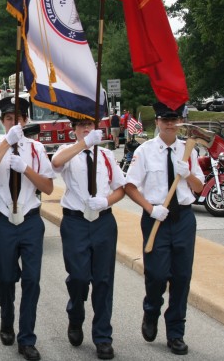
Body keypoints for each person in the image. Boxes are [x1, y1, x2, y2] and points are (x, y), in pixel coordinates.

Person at [124, 102, 204, 356]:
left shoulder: (188, 150)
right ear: (156, 122)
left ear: (180, 121)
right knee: (157, 275)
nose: (170, 123)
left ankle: (176, 333)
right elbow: (130, 186)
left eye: (174, 119)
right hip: (156, 217)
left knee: (181, 278)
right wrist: (150, 208)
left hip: (183, 219)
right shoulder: (145, 151)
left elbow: (199, 187)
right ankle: (151, 310)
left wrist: (188, 173)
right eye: (165, 119)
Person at [0, 96, 55, 361]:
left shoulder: (35, 149)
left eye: (19, 118)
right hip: (4, 222)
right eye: (9, 118)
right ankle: (6, 318)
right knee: (6, 279)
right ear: (2, 121)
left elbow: (47, 187)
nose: (15, 122)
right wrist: (5, 143)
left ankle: (27, 338)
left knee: (32, 280)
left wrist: (26, 169)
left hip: (31, 220)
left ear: (25, 121)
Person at [51, 117, 126, 360]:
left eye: (90, 126)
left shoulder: (105, 155)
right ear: (73, 130)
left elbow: (120, 187)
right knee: (79, 277)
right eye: (81, 126)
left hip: (103, 221)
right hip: (76, 222)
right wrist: (83, 144)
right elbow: (56, 162)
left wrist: (106, 201)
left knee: (103, 280)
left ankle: (103, 337)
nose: (86, 129)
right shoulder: (68, 151)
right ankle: (75, 314)